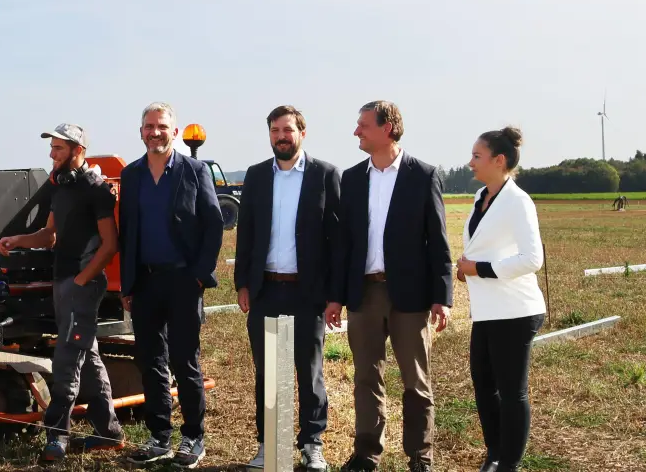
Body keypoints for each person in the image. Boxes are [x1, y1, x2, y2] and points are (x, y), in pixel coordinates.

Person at [329, 100, 451, 472]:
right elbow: (343, 244)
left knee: (416, 382)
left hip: (410, 297)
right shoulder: (350, 179)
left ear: (388, 128)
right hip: (363, 295)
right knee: (366, 377)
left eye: (363, 125)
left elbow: (439, 241)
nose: (356, 132)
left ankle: (421, 457)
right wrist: (335, 296)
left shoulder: (424, 175)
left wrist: (441, 297)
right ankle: (367, 455)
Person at [0, 123, 123, 464]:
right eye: (51, 148)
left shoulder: (95, 189)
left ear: (78, 150)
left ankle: (57, 437)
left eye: (58, 148)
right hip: (63, 284)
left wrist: (82, 280)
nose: (52, 154)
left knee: (66, 358)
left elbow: (109, 246)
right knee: (88, 355)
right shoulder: (59, 186)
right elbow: (50, 234)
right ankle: (109, 433)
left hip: (82, 286)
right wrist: (19, 240)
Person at [235, 106, 343, 471]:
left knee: (308, 370)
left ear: (302, 132)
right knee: (270, 371)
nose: (281, 136)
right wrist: (243, 284)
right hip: (266, 289)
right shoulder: (256, 176)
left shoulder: (324, 175)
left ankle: (312, 444)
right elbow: (246, 234)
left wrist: (334, 294)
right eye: (275, 130)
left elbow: (337, 240)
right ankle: (272, 445)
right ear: (269, 134)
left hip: (308, 292)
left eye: (288, 129)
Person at [118, 102, 223, 468]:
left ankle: (193, 437)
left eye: (162, 126)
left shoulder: (194, 171)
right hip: (145, 281)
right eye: (148, 126)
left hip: (183, 279)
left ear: (174, 132)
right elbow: (128, 232)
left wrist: (199, 274)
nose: (155, 132)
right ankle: (159, 436)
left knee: (184, 360)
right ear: (141, 132)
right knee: (151, 360)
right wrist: (128, 282)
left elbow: (213, 223)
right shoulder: (132, 176)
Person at [455, 128, 546, 472]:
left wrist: (479, 268)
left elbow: (532, 258)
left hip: (516, 311)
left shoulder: (518, 201)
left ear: (499, 160)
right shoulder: (482, 196)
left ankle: (509, 463)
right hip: (487, 311)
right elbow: (484, 246)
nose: (470, 162)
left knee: (511, 392)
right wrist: (467, 268)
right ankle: (493, 455)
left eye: (477, 156)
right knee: (484, 387)